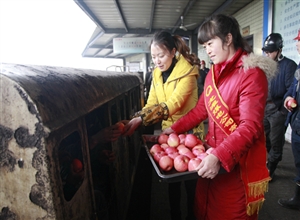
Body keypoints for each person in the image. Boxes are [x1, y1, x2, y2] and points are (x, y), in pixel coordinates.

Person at [163, 14, 277, 219]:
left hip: (235, 169)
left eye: (210, 43)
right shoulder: (214, 73)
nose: (206, 50)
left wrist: (219, 156)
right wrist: (174, 129)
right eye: (204, 45)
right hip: (209, 159)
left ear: (228, 39)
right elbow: (201, 110)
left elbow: (250, 126)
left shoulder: (252, 74)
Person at [122, 30, 205, 220]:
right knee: (172, 182)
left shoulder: (188, 74)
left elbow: (173, 104)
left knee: (191, 184)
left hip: (190, 135)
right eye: (153, 57)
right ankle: (175, 215)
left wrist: (140, 120)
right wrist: (137, 117)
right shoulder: (157, 75)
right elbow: (151, 103)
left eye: (161, 55)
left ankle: (193, 216)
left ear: (173, 52)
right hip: (170, 135)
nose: (157, 61)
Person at [261, 33, 297, 179]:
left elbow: (290, 89)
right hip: (264, 110)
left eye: (270, 52)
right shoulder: (265, 64)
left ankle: (270, 170)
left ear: (279, 50)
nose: (267, 54)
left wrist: (283, 112)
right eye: (266, 52)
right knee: (264, 140)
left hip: (278, 111)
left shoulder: (289, 66)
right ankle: (264, 164)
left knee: (276, 142)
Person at [278, 29, 300, 211]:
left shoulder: (290, 64)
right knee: (299, 162)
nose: (297, 44)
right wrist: (288, 99)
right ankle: (298, 198)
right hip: (297, 123)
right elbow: (292, 90)